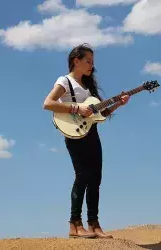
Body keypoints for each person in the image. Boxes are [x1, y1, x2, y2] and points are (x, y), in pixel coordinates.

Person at [43, 43, 130, 239]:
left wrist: (118, 104)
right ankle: (75, 224)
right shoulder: (65, 81)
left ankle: (94, 225)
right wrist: (76, 109)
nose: (92, 65)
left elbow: (101, 114)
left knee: (96, 179)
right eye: (88, 61)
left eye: (93, 62)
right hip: (73, 134)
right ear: (76, 61)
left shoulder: (88, 87)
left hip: (92, 134)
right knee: (82, 175)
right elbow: (48, 103)